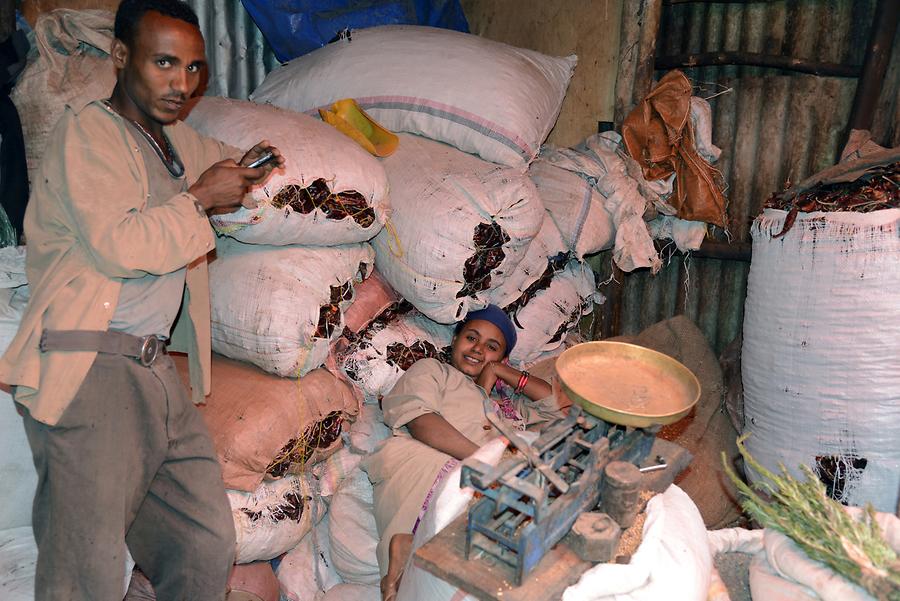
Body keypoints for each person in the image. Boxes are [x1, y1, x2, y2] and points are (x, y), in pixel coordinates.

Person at [0, 1, 284, 599]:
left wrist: (249, 173)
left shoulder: (176, 140)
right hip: (93, 368)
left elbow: (223, 178)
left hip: (154, 372)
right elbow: (119, 244)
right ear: (123, 58)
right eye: (164, 63)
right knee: (86, 569)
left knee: (202, 543)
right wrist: (202, 200)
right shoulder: (89, 133)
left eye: (194, 68)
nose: (182, 84)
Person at [362, 304, 562, 600]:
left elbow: (556, 413)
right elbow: (421, 421)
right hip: (424, 462)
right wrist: (490, 463)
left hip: (479, 478)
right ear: (454, 341)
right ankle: (408, 551)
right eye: (471, 338)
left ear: (503, 358)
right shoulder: (434, 371)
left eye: (492, 347)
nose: (478, 349)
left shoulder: (506, 406)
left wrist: (502, 373)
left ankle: (410, 554)